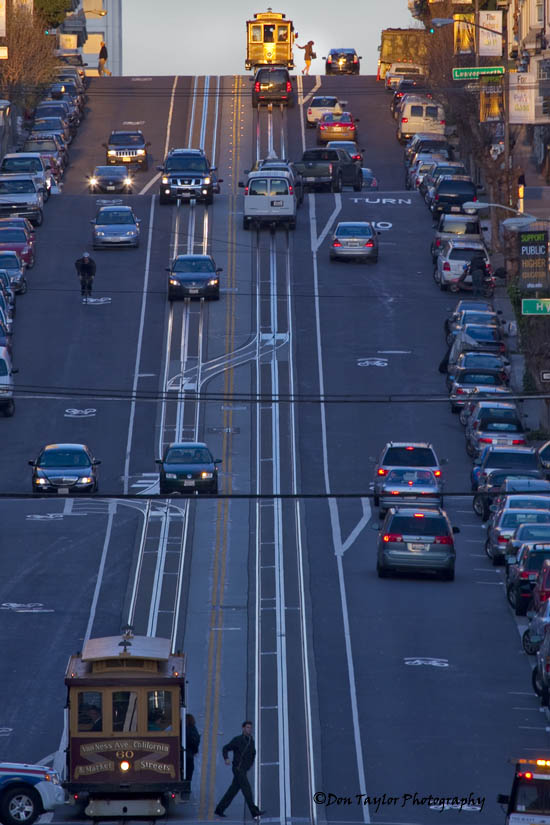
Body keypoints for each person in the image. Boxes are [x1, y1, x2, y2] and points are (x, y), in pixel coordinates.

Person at [214, 721, 265, 819]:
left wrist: (249, 765)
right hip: (238, 769)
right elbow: (225, 748)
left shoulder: (251, 740)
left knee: (232, 791)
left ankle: (219, 809)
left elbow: (253, 754)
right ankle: (254, 811)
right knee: (247, 790)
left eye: (250, 728)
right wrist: (226, 758)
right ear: (243, 728)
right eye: (247, 727)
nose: (249, 729)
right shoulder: (237, 740)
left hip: (243, 769)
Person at [185, 714, 200, 785]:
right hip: (189, 755)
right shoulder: (193, 729)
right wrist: (195, 750)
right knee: (188, 775)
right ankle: (186, 791)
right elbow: (195, 741)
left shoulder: (182, 728)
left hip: (184, 755)